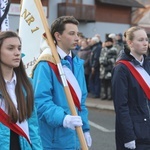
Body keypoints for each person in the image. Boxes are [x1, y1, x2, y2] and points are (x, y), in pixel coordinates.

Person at [32, 16, 92, 149]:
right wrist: (63, 118)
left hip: (76, 136)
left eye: (77, 33)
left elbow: (81, 101)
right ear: (58, 36)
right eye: (71, 33)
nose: (77, 38)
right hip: (54, 138)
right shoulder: (46, 64)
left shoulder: (77, 63)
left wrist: (86, 128)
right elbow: (40, 102)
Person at [0, 31, 42, 150]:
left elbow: (33, 126)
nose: (17, 53)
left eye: (19, 48)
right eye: (10, 48)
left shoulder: (27, 84)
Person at [112, 26, 150, 150]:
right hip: (135, 134)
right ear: (130, 43)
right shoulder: (121, 69)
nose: (145, 43)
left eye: (146, 39)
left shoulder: (148, 64)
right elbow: (121, 106)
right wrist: (128, 136)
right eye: (140, 40)